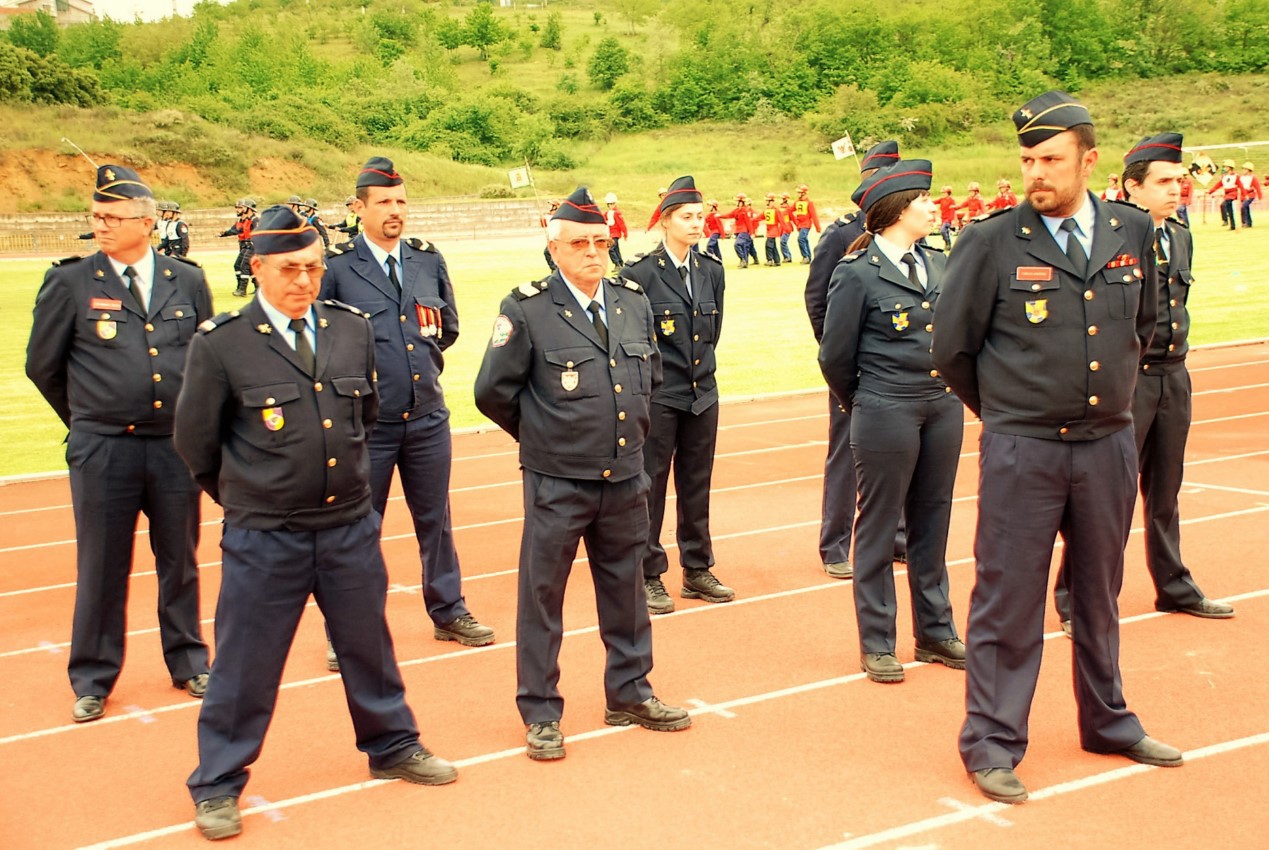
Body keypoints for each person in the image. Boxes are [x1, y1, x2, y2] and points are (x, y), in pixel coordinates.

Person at [932, 90, 1183, 806]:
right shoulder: (989, 241)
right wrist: (1011, 414)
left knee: (1098, 593)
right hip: (1024, 451)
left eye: (1049, 159)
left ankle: (1106, 721)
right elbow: (952, 350)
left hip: (1106, 447)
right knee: (1006, 600)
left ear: (1088, 160)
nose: (1034, 173)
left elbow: (1139, 324)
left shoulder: (1130, 233)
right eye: (1025, 160)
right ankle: (991, 740)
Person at [176, 205, 457, 841]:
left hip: (348, 527)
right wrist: (252, 496)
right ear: (259, 269)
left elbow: (365, 417)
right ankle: (218, 781)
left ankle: (392, 745)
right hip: (265, 534)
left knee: (369, 646)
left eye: (312, 267)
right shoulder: (222, 344)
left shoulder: (348, 328)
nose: (303, 280)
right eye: (288, 269)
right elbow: (196, 445)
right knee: (245, 663)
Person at [474, 187, 691, 762]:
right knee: (541, 597)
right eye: (580, 243)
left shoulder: (631, 299)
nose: (593, 252)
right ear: (554, 247)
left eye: (601, 241)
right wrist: (545, 436)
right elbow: (492, 392)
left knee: (625, 592)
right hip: (557, 480)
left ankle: (630, 692)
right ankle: (541, 711)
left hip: (624, 476)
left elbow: (652, 378)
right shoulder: (526, 308)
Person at [25, 165, 212, 724]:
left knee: (179, 559)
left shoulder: (188, 280)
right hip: (104, 448)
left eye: (113, 216)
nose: (100, 225)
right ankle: (93, 676)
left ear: (148, 222)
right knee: (102, 564)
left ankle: (188, 660)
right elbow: (44, 367)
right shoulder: (71, 282)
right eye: (96, 216)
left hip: (173, 448)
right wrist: (89, 419)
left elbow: (207, 363)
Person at [1053, 133, 1235, 632]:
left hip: (1173, 375)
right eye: (1164, 182)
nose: (1177, 190)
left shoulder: (1179, 233)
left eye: (1179, 181)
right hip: (1125, 383)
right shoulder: (1105, 238)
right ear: (1132, 187)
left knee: (1166, 491)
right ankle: (1078, 599)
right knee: (1103, 497)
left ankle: (1173, 585)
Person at [321, 156, 493, 672]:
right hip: (365, 425)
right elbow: (323, 343)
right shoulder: (336, 267)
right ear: (359, 207)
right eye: (384, 203)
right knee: (357, 526)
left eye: (401, 202)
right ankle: (346, 628)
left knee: (435, 519)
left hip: (426, 417)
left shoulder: (425, 259)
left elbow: (449, 326)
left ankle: (449, 610)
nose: (395, 211)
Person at [818, 160, 965, 684]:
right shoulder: (855, 273)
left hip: (941, 406)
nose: (933, 206)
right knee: (879, 529)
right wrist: (868, 401)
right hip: (886, 408)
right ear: (898, 209)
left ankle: (936, 631)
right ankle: (878, 640)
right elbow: (835, 357)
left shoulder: (941, 264)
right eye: (923, 199)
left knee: (932, 523)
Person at [621, 176, 732, 616]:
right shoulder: (639, 274)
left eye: (700, 217)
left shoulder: (712, 270)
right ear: (665, 221)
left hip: (702, 392)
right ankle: (648, 572)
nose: (696, 224)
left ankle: (697, 567)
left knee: (696, 483)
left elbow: (712, 334)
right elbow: (634, 340)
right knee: (650, 485)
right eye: (687, 217)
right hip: (660, 396)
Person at [804, 139, 908, 580]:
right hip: (856, 370)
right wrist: (839, 356)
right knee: (846, 456)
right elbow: (817, 299)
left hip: (899, 370)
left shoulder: (911, 240)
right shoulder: (844, 234)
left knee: (904, 455)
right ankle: (836, 543)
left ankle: (898, 538)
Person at [219, 198, 258, 297]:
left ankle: (242, 289)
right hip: (245, 246)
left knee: (244, 265)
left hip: (252, 246)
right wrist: (224, 234)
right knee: (239, 266)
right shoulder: (244, 220)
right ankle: (257, 287)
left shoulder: (254, 220)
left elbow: (258, 233)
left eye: (241, 207)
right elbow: (236, 230)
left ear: (248, 209)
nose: (238, 209)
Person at [719, 193, 757, 269]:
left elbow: (748, 222)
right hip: (738, 231)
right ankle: (744, 262)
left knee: (737, 244)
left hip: (744, 231)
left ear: (741, 202)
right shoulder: (737, 210)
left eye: (737, 201)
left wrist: (752, 233)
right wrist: (719, 216)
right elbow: (728, 215)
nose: (736, 202)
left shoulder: (744, 211)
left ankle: (743, 260)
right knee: (743, 246)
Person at [792, 184, 821, 264]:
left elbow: (814, 215)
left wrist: (817, 227)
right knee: (804, 239)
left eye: (799, 192)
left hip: (806, 224)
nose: (798, 194)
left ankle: (805, 256)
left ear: (803, 193)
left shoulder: (809, 203)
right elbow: (791, 210)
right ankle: (808, 257)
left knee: (801, 239)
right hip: (800, 225)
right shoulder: (797, 202)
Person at [1207, 160, 1239, 230]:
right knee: (1230, 210)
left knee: (1223, 205)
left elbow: (1241, 186)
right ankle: (1232, 225)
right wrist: (1210, 191)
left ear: (1230, 167)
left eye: (1226, 167)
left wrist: (1244, 194)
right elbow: (1218, 185)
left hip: (1232, 194)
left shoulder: (1236, 176)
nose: (1224, 168)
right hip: (1227, 195)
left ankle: (1225, 220)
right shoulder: (1224, 177)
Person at [758, 193, 785, 266]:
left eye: (767, 200)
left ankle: (770, 260)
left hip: (774, 230)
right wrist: (751, 220)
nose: (766, 202)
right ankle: (777, 260)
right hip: (769, 231)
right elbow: (759, 217)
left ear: (771, 201)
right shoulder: (767, 210)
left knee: (768, 245)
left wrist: (785, 229)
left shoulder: (776, 211)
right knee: (773, 246)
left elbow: (782, 221)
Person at [604, 191, 629, 269]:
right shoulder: (607, 213)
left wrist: (625, 233)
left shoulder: (616, 213)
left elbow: (621, 224)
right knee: (616, 249)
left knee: (610, 249)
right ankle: (620, 263)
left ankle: (617, 264)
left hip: (614, 234)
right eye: (610, 204)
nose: (611, 205)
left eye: (612, 204)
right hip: (610, 234)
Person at [1237, 162, 1262, 227]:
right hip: (1243, 195)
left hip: (1250, 195)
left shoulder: (1253, 178)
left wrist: (1260, 197)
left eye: (1245, 169)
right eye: (1243, 169)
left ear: (1249, 170)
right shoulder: (1241, 177)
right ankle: (1249, 223)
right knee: (1246, 208)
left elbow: (1257, 187)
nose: (1243, 170)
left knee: (1243, 206)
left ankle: (1244, 222)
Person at [540, 198, 561, 271]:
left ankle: (555, 269)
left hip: (558, 239)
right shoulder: (549, 216)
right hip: (552, 239)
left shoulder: (558, 216)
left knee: (548, 253)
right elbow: (543, 224)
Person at [935, 185, 958, 250]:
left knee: (943, 231)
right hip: (943, 218)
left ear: (948, 193)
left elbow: (952, 210)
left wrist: (950, 219)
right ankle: (948, 244)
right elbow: (934, 202)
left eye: (944, 193)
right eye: (942, 193)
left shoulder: (951, 200)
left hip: (948, 219)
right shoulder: (942, 199)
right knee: (945, 232)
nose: (943, 194)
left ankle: (947, 242)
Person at [778, 192, 795, 263]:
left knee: (783, 242)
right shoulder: (779, 209)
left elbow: (793, 218)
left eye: (781, 198)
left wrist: (798, 226)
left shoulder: (788, 209)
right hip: (781, 229)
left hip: (787, 228)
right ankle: (786, 257)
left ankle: (787, 256)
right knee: (782, 242)